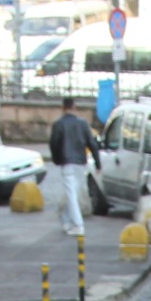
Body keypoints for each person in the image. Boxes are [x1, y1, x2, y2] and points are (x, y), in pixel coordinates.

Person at [47, 97, 99, 238]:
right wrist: (97, 162)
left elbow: (54, 144)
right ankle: (66, 220)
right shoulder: (82, 124)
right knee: (72, 194)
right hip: (80, 163)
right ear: (74, 107)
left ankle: (78, 225)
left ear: (63, 107)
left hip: (67, 162)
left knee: (71, 194)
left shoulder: (59, 124)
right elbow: (92, 143)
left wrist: (57, 160)